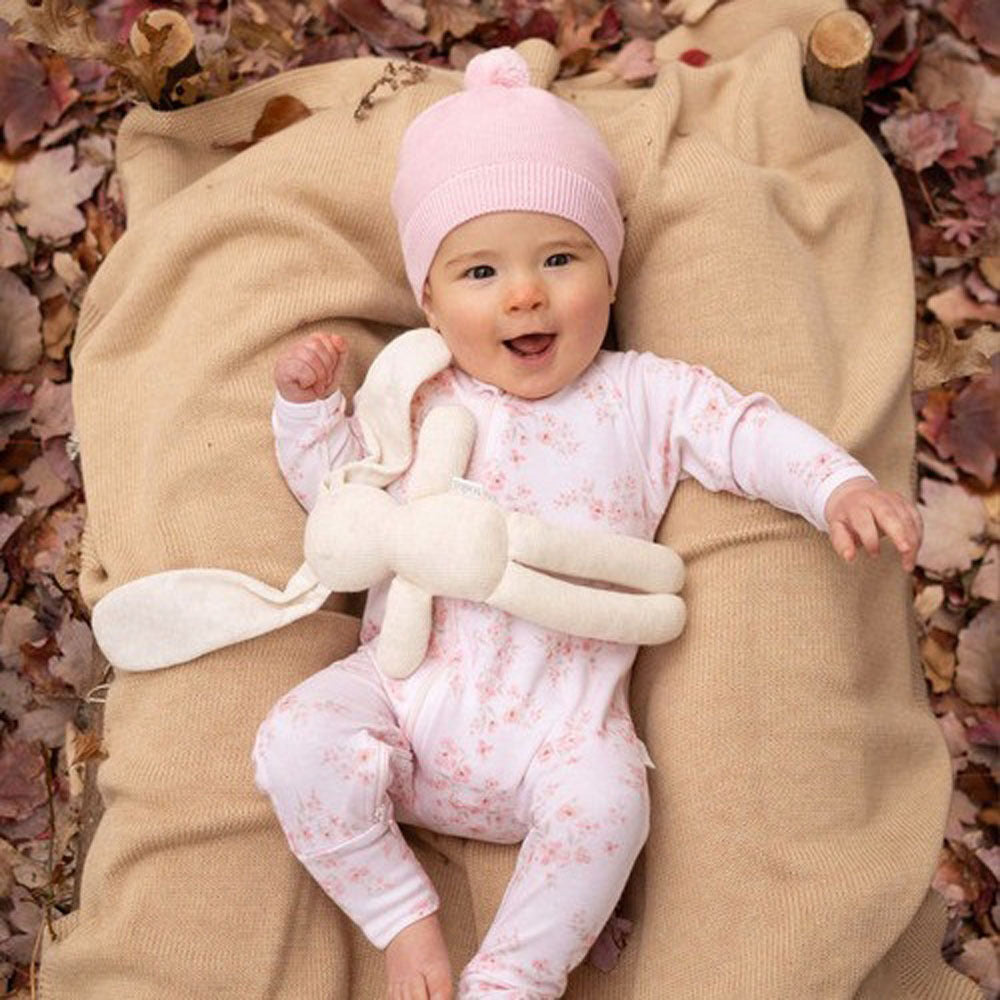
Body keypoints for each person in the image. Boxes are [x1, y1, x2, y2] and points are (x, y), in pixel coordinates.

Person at [252, 47, 922, 1000]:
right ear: (430, 301)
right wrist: (308, 409)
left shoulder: (641, 395)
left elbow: (745, 433)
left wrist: (837, 486)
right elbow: (342, 507)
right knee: (294, 739)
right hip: (399, 699)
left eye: (560, 259)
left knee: (612, 805)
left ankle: (514, 976)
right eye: (481, 271)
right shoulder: (419, 389)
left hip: (558, 735)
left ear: (610, 275)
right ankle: (400, 915)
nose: (524, 293)